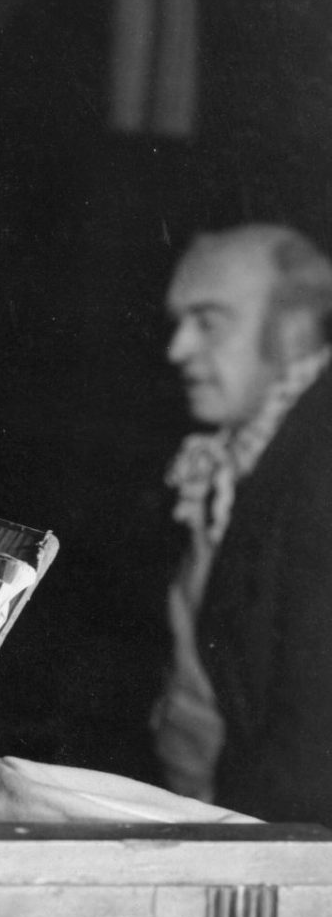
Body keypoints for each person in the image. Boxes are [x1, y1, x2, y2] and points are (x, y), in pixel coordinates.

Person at [150, 223, 332, 821]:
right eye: (180, 323)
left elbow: (308, 758)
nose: (177, 349)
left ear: (292, 330)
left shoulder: (319, 465)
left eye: (208, 323)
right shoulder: (254, 451)